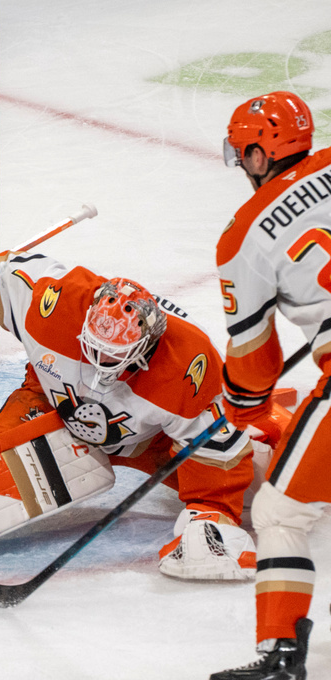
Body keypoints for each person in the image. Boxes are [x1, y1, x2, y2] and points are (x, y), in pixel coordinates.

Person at [0, 248, 274, 583]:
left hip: (154, 442)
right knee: (4, 458)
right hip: (51, 401)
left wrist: (210, 510)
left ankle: (285, 431)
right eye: (94, 348)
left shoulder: (188, 366)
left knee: (269, 487)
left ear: (146, 348)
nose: (101, 362)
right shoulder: (52, 304)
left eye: (115, 356)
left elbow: (214, 449)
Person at [209, 91, 329, 679]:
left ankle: (282, 653)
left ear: (260, 153)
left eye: (242, 153)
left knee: (280, 510)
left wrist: (240, 403)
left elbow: (255, 362)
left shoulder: (244, 236)